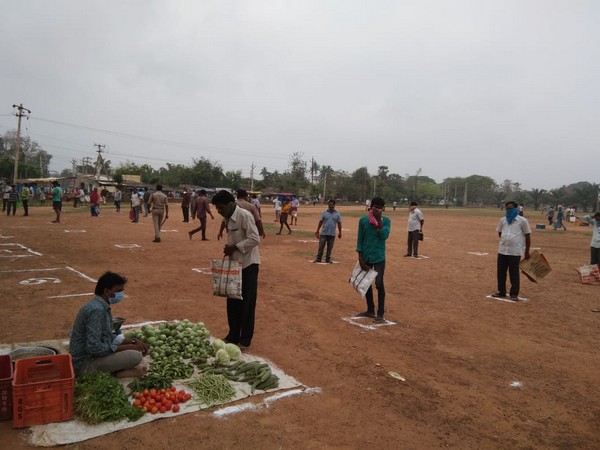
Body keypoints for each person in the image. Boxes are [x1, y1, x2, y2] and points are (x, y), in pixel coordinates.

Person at [69, 271, 148, 378]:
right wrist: (126, 347)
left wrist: (132, 342)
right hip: (85, 363)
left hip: (91, 357)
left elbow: (106, 335)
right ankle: (115, 372)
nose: (120, 295)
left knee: (130, 351)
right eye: (118, 291)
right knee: (135, 356)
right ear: (106, 291)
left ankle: (117, 371)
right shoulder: (97, 310)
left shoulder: (100, 306)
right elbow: (94, 348)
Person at [211, 190, 261, 349]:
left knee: (247, 302)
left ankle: (245, 339)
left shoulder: (245, 216)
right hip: (234, 265)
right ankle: (233, 335)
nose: (219, 211)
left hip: (248, 264)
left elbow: (255, 239)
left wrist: (234, 247)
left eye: (221, 208)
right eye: (217, 209)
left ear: (231, 204)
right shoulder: (227, 217)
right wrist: (231, 249)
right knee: (232, 301)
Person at [356, 197, 391, 323]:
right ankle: (370, 309)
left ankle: (380, 313)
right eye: (374, 207)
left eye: (379, 208)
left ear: (382, 209)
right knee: (366, 283)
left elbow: (384, 235)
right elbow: (360, 239)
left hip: (379, 257)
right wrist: (360, 256)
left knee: (379, 283)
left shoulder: (386, 221)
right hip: (366, 256)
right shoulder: (363, 220)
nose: (376, 210)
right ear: (371, 207)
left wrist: (378, 222)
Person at [491, 201, 531, 301]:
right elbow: (500, 233)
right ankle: (501, 291)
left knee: (514, 273)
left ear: (515, 209)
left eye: (511, 208)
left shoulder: (522, 221)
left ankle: (514, 293)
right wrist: (506, 239)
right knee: (501, 272)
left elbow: (528, 236)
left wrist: (526, 252)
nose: (509, 210)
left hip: (515, 251)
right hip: (503, 250)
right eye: (507, 209)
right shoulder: (503, 220)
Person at [314, 199, 342, 263]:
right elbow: (321, 222)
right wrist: (317, 230)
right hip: (324, 233)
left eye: (332, 205)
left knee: (330, 248)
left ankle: (328, 259)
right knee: (321, 247)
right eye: (329, 205)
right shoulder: (324, 213)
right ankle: (318, 258)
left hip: (332, 234)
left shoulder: (337, 214)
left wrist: (340, 232)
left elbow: (339, 224)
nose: (331, 206)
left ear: (334, 205)